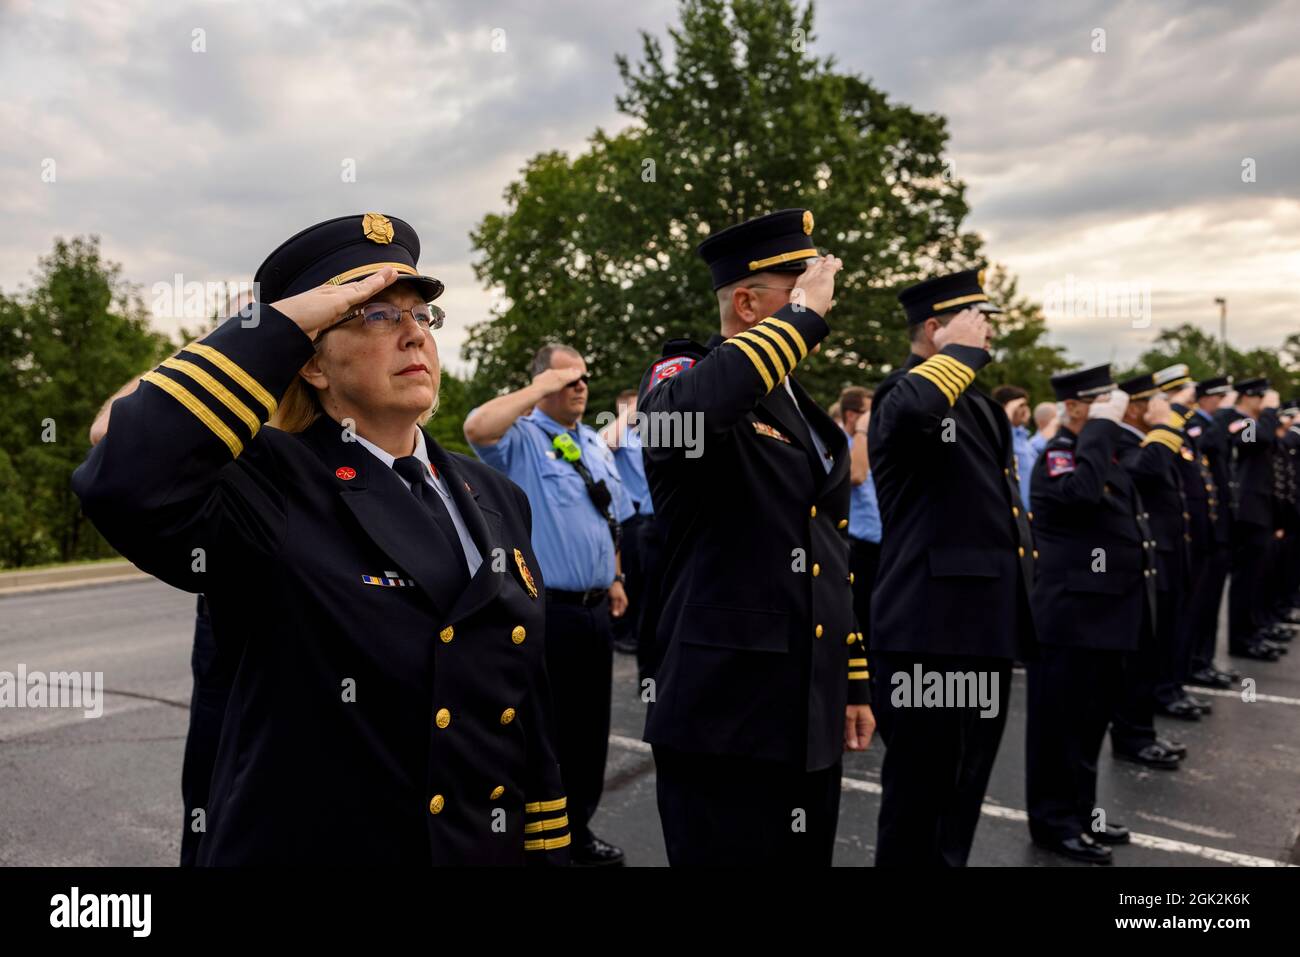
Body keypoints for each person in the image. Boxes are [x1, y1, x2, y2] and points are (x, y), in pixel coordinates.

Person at [73, 213, 568, 865]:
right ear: (310, 362)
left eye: (422, 316)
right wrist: (271, 326)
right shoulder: (271, 478)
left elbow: (522, 701)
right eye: (376, 316)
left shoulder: (496, 496)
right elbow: (124, 465)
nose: (415, 334)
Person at [637, 208, 874, 866]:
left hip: (805, 708)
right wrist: (801, 320)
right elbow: (679, 419)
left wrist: (852, 680)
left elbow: (828, 554)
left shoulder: (802, 409)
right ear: (747, 302)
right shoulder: (683, 374)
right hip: (724, 710)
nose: (817, 300)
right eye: (796, 286)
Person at [868, 267, 1036, 867]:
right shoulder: (902, 394)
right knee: (920, 797)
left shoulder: (983, 410)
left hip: (982, 631)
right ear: (936, 329)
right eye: (977, 322)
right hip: (928, 636)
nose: (988, 333)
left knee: (963, 792)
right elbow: (913, 412)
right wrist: (957, 354)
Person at [463, 344, 632, 866]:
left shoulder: (593, 444)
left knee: (589, 733)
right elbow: (477, 427)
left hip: (596, 609)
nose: (580, 386)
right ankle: (536, 837)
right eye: (568, 378)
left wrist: (617, 577)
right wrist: (542, 386)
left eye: (584, 378)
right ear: (541, 384)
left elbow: (611, 518)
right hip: (546, 610)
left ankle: (577, 830)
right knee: (545, 731)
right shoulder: (521, 439)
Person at [1025, 364, 1145, 864]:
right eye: (1100, 405)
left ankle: (1083, 813)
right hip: (1071, 619)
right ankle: (1055, 824)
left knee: (1090, 725)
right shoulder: (1058, 456)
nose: (1112, 414)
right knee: (1061, 729)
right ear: (1075, 406)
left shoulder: (1100, 452)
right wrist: (1096, 428)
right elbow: (1080, 496)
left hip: (1108, 617)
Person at [1108, 371, 1194, 768]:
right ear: (1138, 408)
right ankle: (1132, 735)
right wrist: (1166, 423)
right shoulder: (1122, 442)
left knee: (1155, 650)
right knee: (1140, 656)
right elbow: (1149, 470)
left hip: (1163, 556)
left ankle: (1142, 730)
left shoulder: (1141, 441)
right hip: (1145, 560)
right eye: (1153, 403)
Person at [1215, 378, 1286, 661]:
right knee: (1246, 579)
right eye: (1262, 400)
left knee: (1258, 577)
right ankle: (1242, 638)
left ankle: (1253, 630)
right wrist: (1269, 413)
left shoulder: (1255, 422)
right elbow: (1258, 439)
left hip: (1262, 510)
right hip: (1247, 511)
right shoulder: (1236, 421)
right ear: (1249, 398)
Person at [600, 389, 665, 682]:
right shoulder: (619, 434)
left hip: (654, 518)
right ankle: (622, 632)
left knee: (648, 583)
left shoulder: (650, 434)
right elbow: (605, 444)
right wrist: (627, 413)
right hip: (628, 518)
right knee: (631, 580)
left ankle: (640, 633)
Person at [1182, 376, 1239, 688]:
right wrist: (1223, 417)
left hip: (1218, 525)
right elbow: (1212, 443)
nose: (1221, 404)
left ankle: (1203, 660)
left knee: (1209, 603)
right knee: (1199, 602)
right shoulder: (1198, 425)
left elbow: (1250, 440)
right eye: (1217, 399)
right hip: (1204, 531)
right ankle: (1194, 663)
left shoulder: (1215, 423)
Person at [838, 387, 882, 647]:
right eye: (869, 414)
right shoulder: (844, 441)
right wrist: (863, 432)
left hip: (878, 548)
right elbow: (856, 476)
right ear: (853, 416)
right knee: (860, 621)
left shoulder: (866, 444)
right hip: (855, 547)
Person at [994, 384, 1036, 506]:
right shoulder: (1001, 435)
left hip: (1031, 511)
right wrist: (1006, 413)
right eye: (1020, 406)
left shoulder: (1024, 438)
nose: (1026, 410)